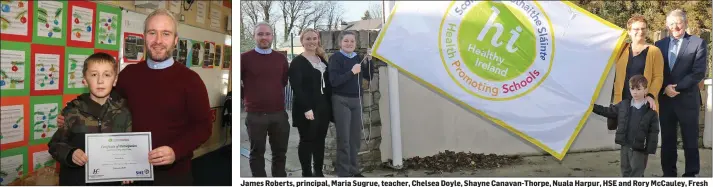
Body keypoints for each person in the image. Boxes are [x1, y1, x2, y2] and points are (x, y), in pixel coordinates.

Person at [58, 9, 212, 185]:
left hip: (173, 176)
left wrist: (176, 151)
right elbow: (105, 107)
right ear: (144, 36)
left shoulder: (191, 80)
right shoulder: (128, 74)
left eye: (166, 34)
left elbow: (203, 127)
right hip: (130, 173)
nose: (158, 40)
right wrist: (73, 116)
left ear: (176, 40)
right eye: (152, 33)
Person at [48, 53, 133, 186]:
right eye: (94, 75)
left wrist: (129, 168)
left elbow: (130, 147)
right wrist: (71, 154)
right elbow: (54, 145)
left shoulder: (124, 112)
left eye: (107, 75)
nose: (100, 80)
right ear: (84, 80)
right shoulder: (73, 111)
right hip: (78, 181)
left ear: (115, 80)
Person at [654, 9, 708, 177]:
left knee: (690, 140)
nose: (675, 27)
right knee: (668, 140)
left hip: (688, 100)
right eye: (671, 23)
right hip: (666, 100)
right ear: (666, 25)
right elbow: (656, 72)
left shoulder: (697, 43)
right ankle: (668, 174)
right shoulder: (659, 45)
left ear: (685, 23)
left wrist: (676, 88)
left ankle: (691, 174)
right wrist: (664, 88)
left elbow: (698, 72)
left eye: (678, 22)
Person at [240, 22, 290, 177]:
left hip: (278, 114)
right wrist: (250, 99)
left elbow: (283, 81)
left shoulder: (281, 59)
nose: (264, 37)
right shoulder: (244, 58)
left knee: (280, 153)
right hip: (256, 115)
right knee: (257, 154)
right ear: (254, 36)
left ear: (272, 36)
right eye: (260, 34)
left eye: (267, 34)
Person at [592, 75, 660, 177]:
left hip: (640, 148)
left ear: (646, 90)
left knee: (637, 172)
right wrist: (592, 107)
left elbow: (654, 132)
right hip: (625, 145)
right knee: (625, 170)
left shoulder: (651, 112)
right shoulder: (623, 105)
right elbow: (607, 111)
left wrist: (649, 149)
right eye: (632, 89)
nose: (635, 92)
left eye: (638, 89)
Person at [328, 31, 374, 177]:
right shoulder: (335, 58)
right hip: (341, 100)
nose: (349, 44)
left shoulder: (358, 57)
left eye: (352, 41)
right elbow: (334, 81)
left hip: (356, 100)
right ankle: (343, 173)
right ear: (340, 43)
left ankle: (354, 170)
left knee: (355, 139)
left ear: (356, 43)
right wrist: (351, 72)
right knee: (344, 139)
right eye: (346, 41)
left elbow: (369, 76)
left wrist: (369, 61)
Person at [289, 28, 333, 177]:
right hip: (306, 108)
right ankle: (306, 174)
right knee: (307, 141)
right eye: (308, 39)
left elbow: (328, 86)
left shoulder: (322, 60)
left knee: (320, 141)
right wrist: (307, 109)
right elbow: (297, 87)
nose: (312, 41)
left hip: (323, 108)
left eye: (314, 38)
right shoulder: (297, 62)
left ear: (318, 40)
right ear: (302, 41)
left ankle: (318, 172)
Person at [613, 15, 664, 111]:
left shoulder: (654, 51)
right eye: (636, 29)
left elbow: (658, 77)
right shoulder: (620, 49)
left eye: (643, 28)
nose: (640, 32)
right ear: (629, 31)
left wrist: (650, 95)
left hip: (644, 104)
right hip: (622, 104)